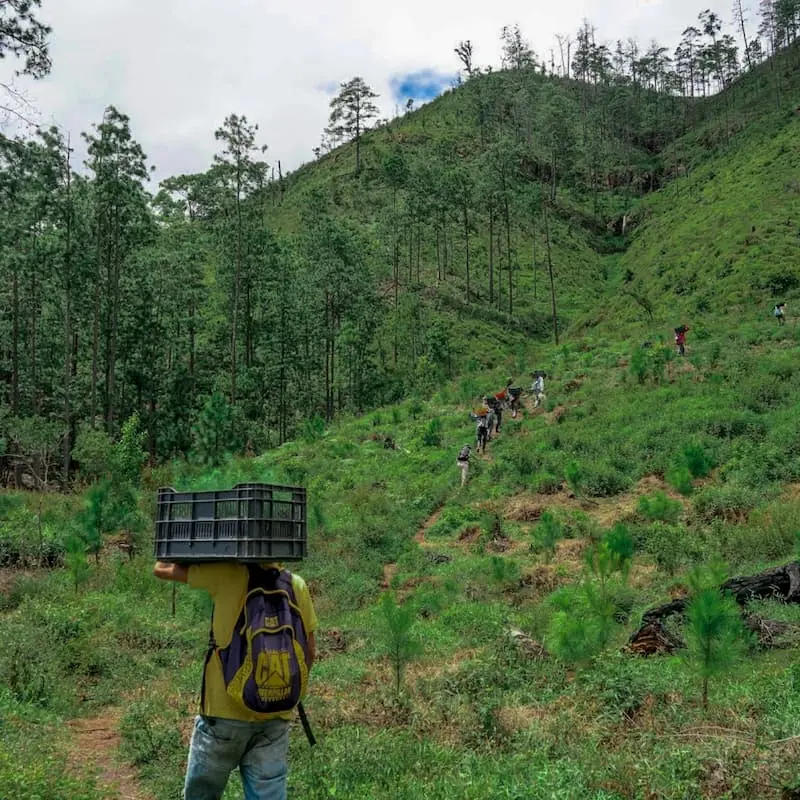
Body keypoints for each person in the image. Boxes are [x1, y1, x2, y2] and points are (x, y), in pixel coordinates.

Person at [153, 560, 318, 800]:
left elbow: (161, 569)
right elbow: (310, 650)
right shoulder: (296, 584)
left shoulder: (225, 573)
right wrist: (285, 691)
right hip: (275, 716)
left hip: (223, 716)